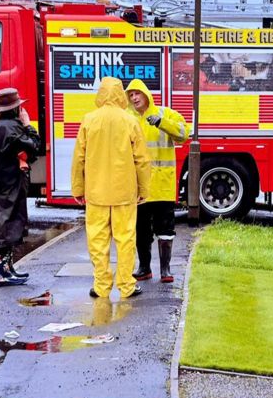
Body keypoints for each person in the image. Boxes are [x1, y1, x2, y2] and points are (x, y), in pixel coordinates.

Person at [71, 77, 151, 299]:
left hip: (96, 193)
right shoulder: (130, 121)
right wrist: (144, 189)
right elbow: (142, 160)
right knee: (125, 240)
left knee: (97, 240)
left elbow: (79, 158)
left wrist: (78, 188)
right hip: (124, 193)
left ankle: (101, 286)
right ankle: (126, 285)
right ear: (120, 94)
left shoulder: (89, 120)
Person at [125, 78, 189, 284]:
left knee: (165, 229)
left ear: (146, 94)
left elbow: (184, 134)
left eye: (137, 93)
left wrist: (162, 122)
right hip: (139, 186)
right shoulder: (127, 118)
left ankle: (165, 270)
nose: (134, 98)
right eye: (130, 95)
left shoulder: (165, 113)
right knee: (141, 230)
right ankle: (144, 268)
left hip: (162, 185)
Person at [0, 87, 42, 286]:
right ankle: (2, 273)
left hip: (1, 182)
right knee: (5, 225)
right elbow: (34, 145)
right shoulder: (11, 128)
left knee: (4, 223)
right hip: (10, 183)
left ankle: (7, 269)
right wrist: (28, 124)